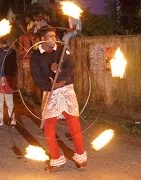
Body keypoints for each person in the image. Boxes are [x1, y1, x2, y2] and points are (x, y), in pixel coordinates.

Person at [30, 26, 87, 173]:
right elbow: (37, 77)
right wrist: (51, 85)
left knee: (74, 124)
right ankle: (56, 160)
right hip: (50, 92)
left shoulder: (62, 50)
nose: (53, 38)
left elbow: (70, 68)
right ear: (42, 39)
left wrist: (59, 79)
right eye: (50, 36)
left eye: (54, 35)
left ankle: (80, 157)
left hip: (66, 90)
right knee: (49, 126)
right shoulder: (36, 56)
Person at [0, 39, 17, 126]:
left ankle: (5, 119)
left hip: (5, 78)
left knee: (2, 100)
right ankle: (9, 119)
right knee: (6, 100)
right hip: (5, 78)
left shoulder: (2, 51)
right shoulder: (10, 51)